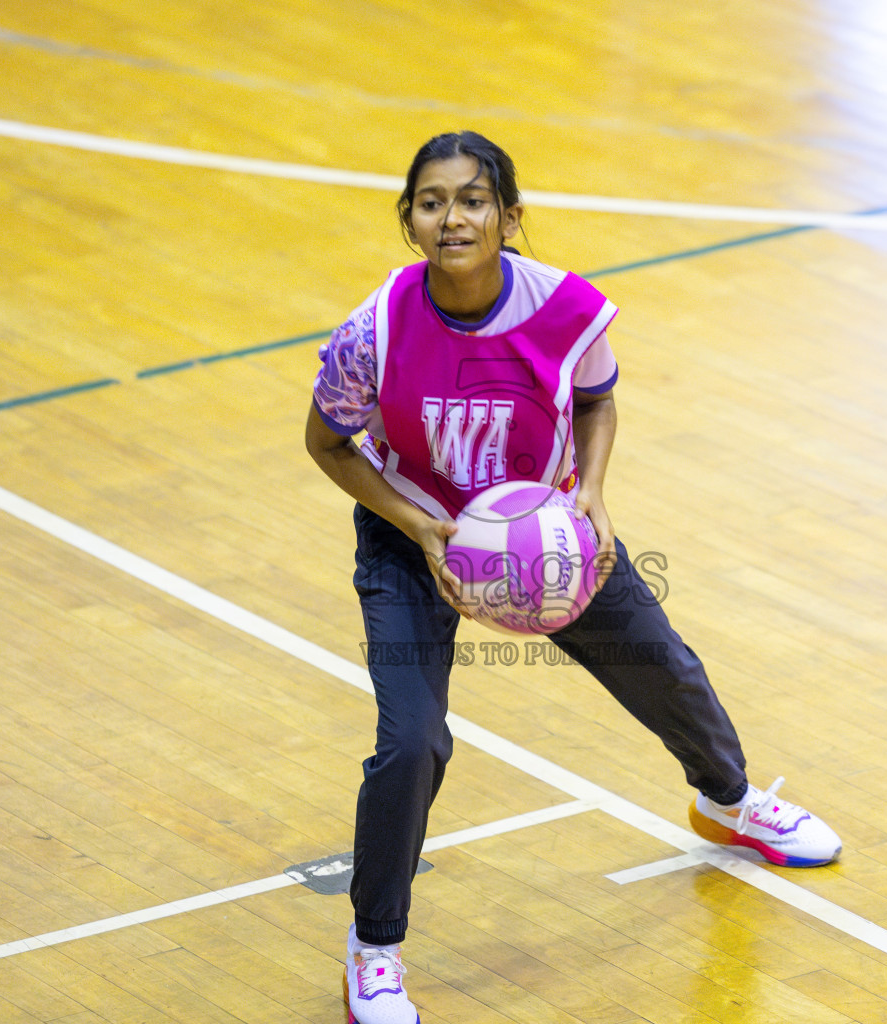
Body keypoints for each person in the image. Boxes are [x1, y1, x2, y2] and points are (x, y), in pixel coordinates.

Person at [305, 131, 841, 1024]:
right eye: (431, 203)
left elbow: (596, 400)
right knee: (412, 743)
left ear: (510, 217)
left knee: (663, 665)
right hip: (414, 537)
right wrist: (417, 525)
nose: (452, 219)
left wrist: (590, 492)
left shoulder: (564, 310)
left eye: (473, 200)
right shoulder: (377, 329)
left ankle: (730, 802)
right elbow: (328, 442)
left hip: (541, 533)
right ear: (410, 221)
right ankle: (375, 949)